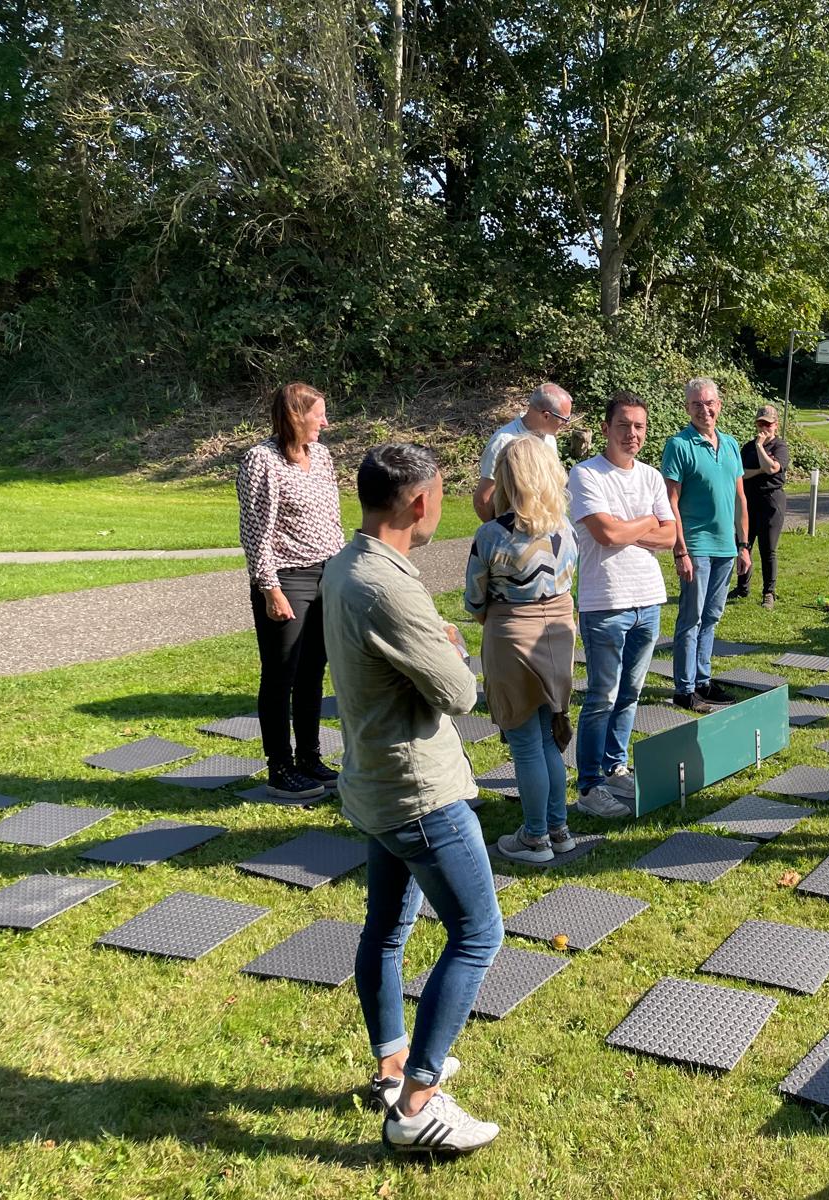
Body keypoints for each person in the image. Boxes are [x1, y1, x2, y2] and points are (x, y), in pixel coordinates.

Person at [321, 442, 502, 1154]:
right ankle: (416, 1104)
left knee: (388, 932)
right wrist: (453, 648)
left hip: (374, 782)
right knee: (479, 933)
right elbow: (459, 693)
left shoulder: (346, 564)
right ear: (418, 502)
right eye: (440, 495)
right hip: (420, 794)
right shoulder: (390, 587)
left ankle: (393, 1067)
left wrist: (436, 640)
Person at [464, 437, 579, 863]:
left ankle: (535, 837)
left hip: (512, 634)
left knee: (526, 743)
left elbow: (473, 601)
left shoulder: (492, 533)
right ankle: (558, 828)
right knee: (550, 736)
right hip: (559, 635)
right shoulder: (566, 528)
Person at [568, 392, 679, 816]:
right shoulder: (585, 475)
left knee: (630, 694)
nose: (632, 434)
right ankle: (590, 785)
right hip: (606, 601)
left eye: (639, 427)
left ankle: (615, 767)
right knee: (601, 696)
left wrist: (632, 527)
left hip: (648, 599)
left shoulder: (651, 476)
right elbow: (605, 536)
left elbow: (669, 538)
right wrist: (648, 522)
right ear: (606, 429)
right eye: (624, 425)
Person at [236, 382, 345, 800]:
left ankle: (310, 758)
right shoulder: (259, 460)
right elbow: (255, 532)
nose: (325, 422)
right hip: (287, 578)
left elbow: (333, 520)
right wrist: (270, 587)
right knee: (281, 674)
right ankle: (279, 765)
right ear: (297, 416)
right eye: (319, 414)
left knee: (313, 673)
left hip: (326, 574)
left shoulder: (321, 455)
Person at [662, 377, 751, 713]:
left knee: (712, 617)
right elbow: (671, 501)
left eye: (709, 403)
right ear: (687, 408)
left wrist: (743, 544)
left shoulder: (729, 445)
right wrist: (680, 549)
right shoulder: (679, 445)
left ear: (719, 405)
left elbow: (740, 498)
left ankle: (703, 680)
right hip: (696, 546)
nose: (704, 410)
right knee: (691, 618)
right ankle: (684, 689)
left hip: (726, 548)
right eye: (696, 404)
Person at [471, 383, 573, 521]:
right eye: (565, 419)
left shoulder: (549, 438)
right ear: (546, 416)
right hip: (514, 534)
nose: (566, 424)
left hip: (545, 529)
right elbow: (483, 499)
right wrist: (499, 532)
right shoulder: (503, 441)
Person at [732, 403, 789, 608]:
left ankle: (769, 592)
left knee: (768, 548)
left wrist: (760, 448)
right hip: (748, 500)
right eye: (760, 423)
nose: (764, 427)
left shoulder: (779, 447)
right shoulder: (747, 447)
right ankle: (742, 587)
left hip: (771, 501)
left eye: (768, 424)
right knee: (743, 544)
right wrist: (759, 470)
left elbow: (772, 467)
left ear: (775, 425)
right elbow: (740, 473)